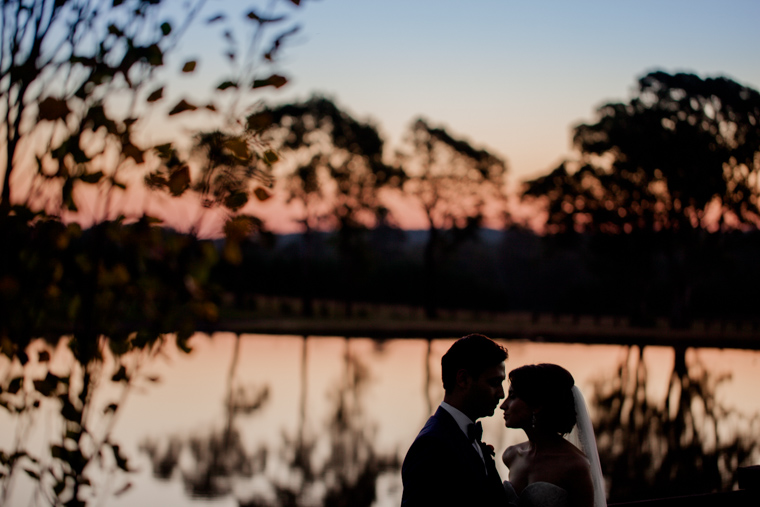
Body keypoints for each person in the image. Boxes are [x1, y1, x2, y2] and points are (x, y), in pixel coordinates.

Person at [401, 334, 510, 507]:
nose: (501, 394)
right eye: (494, 382)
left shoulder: (463, 435)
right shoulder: (431, 446)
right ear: (463, 379)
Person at [500, 363, 606, 507]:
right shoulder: (511, 455)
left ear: (536, 405)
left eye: (512, 397)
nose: (503, 405)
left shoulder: (575, 465)